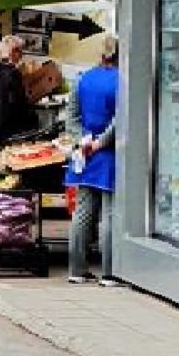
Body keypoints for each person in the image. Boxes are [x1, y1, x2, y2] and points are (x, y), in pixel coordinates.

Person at [65, 41, 120, 285]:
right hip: (111, 153)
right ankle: (110, 272)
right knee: (110, 213)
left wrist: (84, 141)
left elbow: (72, 117)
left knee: (83, 212)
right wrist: (102, 142)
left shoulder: (82, 79)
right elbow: (120, 119)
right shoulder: (122, 80)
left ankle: (77, 269)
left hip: (85, 154)